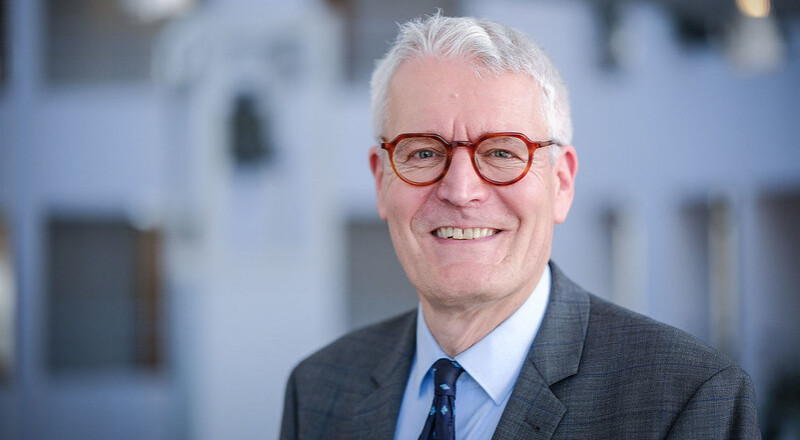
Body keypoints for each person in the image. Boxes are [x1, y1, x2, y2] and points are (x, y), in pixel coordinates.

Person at [280, 14, 760, 440]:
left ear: (562, 182)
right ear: (381, 180)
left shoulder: (686, 398)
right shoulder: (319, 389)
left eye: (502, 152)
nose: (460, 190)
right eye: (423, 152)